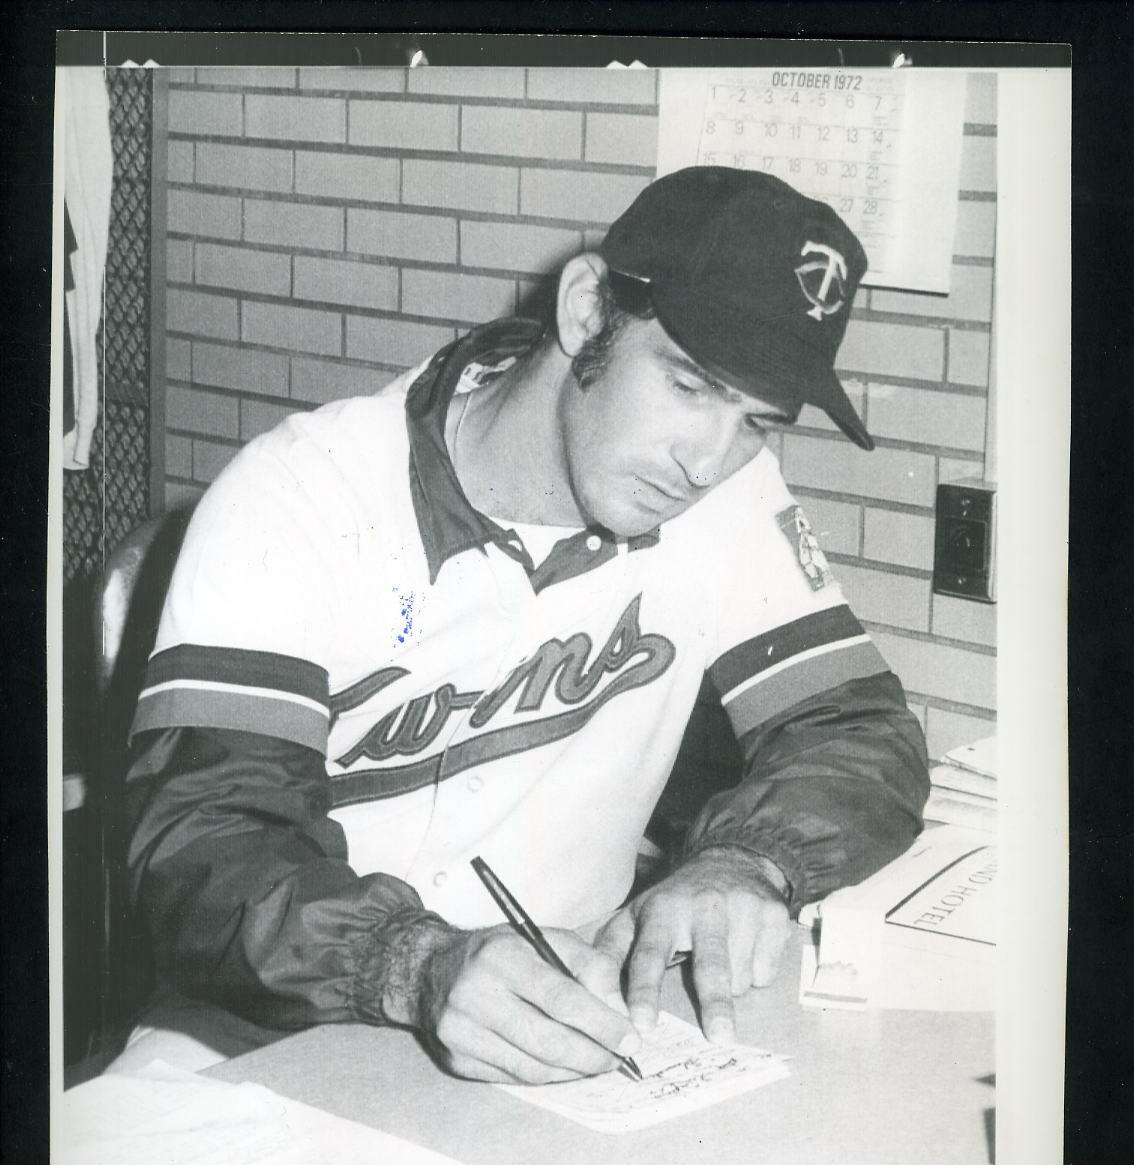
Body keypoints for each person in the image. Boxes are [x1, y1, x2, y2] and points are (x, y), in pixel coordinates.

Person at [122, 166, 929, 1084]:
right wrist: (412, 963)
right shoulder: (302, 495)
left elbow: (857, 731)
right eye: (690, 387)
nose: (709, 460)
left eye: (756, 422)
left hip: (568, 1033)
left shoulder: (727, 500)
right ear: (587, 311)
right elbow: (203, 843)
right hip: (261, 1043)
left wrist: (751, 861)